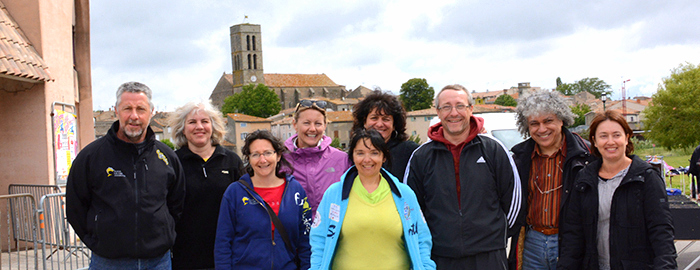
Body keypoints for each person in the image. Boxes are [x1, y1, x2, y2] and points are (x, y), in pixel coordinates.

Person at [66, 81, 185, 269]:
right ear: (116, 111)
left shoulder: (167, 157)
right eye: (127, 108)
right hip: (107, 262)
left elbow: (176, 205)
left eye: (141, 109)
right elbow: (75, 206)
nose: (134, 116)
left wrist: (162, 234)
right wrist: (97, 242)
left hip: (157, 262)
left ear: (151, 112)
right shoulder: (91, 157)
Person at [404, 84, 521, 269]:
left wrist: (494, 236)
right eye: (446, 107)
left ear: (471, 109)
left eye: (460, 106)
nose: (453, 113)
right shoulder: (421, 157)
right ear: (438, 112)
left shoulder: (493, 149)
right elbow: (411, 208)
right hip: (439, 256)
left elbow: (513, 202)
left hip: (488, 256)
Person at [558, 110, 677, 270]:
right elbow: (573, 234)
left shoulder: (646, 178)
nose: (610, 142)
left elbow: (661, 232)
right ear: (594, 140)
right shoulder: (584, 179)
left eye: (616, 135)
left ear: (627, 138)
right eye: (603, 136)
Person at [310, 129, 435, 270]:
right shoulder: (334, 195)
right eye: (360, 153)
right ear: (352, 156)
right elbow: (319, 241)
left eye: (374, 153)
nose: (367, 159)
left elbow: (422, 240)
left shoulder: (405, 195)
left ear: (384, 157)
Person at [508, 91, 595, 270]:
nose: (542, 129)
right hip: (531, 242)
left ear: (561, 120)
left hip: (572, 243)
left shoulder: (588, 155)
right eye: (534, 123)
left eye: (548, 121)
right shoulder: (518, 158)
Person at [215, 129, 311, 269]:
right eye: (255, 154)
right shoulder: (235, 193)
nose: (262, 160)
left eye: (267, 153)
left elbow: (306, 240)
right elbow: (223, 242)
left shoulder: (296, 191)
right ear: (248, 158)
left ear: (278, 156)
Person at [169, 101, 244, 270]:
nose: (199, 127)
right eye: (192, 122)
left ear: (213, 126)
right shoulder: (173, 163)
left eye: (205, 121)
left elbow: (244, 207)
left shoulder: (231, 161)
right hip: (184, 258)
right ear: (182, 128)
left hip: (227, 257)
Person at [284, 99, 351, 214]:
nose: (312, 129)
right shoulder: (281, 161)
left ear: (325, 126)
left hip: (331, 230)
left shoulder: (342, 160)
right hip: (294, 231)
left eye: (318, 123)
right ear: (295, 124)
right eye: (306, 123)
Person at [352, 90, 418, 180]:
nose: (379, 124)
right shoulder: (356, 151)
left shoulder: (411, 152)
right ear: (364, 122)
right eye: (374, 118)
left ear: (394, 124)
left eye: (386, 119)